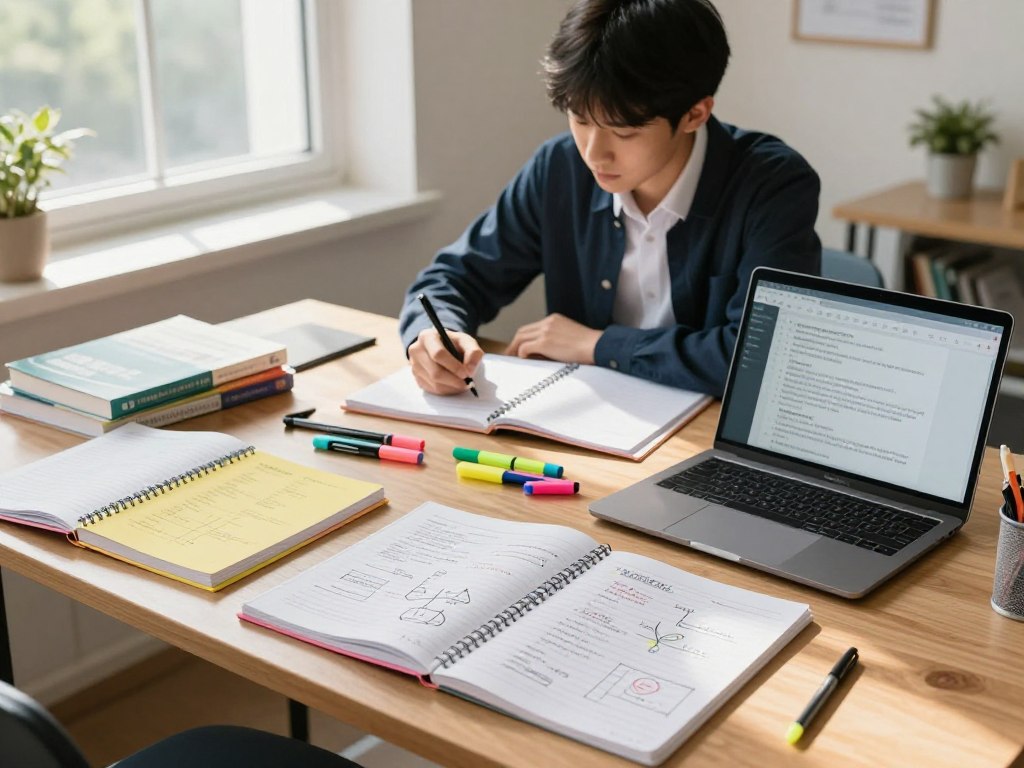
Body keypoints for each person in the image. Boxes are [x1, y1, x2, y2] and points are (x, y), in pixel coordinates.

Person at [399, 0, 820, 398]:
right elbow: (453, 278)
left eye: (624, 132)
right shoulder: (560, 168)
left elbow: (762, 358)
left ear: (695, 114)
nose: (593, 153)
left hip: (705, 443)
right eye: (580, 119)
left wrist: (599, 346)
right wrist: (435, 336)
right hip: (586, 433)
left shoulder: (773, 186)